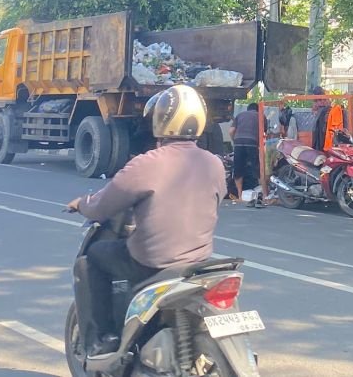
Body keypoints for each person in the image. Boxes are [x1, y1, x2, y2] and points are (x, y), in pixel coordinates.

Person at [67, 84, 225, 357]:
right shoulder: (214, 163)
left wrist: (82, 204)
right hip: (199, 262)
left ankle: (101, 340)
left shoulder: (146, 163)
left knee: (92, 258)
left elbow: (103, 206)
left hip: (152, 263)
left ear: (160, 119)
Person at [229, 101, 265, 201]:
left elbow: (231, 131)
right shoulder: (261, 116)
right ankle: (263, 195)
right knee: (258, 169)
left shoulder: (240, 115)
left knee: (238, 170)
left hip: (238, 143)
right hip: (252, 143)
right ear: (258, 110)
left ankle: (240, 196)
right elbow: (264, 134)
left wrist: (235, 141)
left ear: (248, 109)